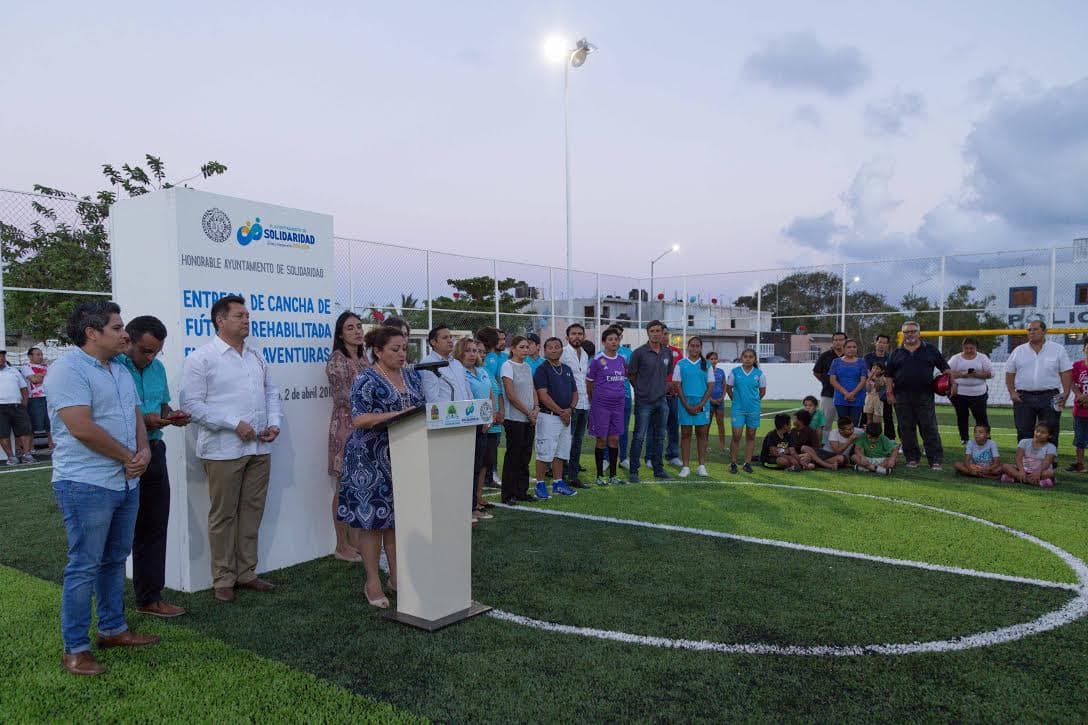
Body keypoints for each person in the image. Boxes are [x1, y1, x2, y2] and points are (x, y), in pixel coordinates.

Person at [46, 301, 157, 677]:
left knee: (114, 559)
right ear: (92, 333)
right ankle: (75, 649)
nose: (126, 334)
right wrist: (130, 456)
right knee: (84, 564)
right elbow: (81, 427)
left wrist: (143, 451)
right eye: (117, 327)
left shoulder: (120, 369)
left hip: (125, 480)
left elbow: (135, 415)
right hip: (86, 483)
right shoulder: (67, 370)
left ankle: (113, 629)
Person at [180, 295, 282, 603]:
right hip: (223, 450)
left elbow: (271, 392)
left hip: (259, 448)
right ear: (220, 320)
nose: (246, 320)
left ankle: (246, 572)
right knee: (223, 515)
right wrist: (232, 423)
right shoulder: (202, 358)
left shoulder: (256, 356)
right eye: (239, 315)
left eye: (247, 315)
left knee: (252, 511)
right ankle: (223, 578)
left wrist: (274, 422)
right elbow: (190, 405)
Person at [338, 326, 424, 608]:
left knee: (398, 520)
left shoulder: (412, 376)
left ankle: (397, 577)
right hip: (369, 458)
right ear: (378, 351)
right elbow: (359, 419)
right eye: (395, 349)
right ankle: (372, 581)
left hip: (404, 454)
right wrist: (398, 414)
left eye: (404, 348)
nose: (402, 354)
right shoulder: (365, 378)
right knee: (373, 522)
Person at [117, 315, 190, 619]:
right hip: (121, 455)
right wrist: (141, 422)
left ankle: (150, 598)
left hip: (155, 451)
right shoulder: (114, 367)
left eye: (156, 352)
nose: (151, 358)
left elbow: (162, 406)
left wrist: (172, 416)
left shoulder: (157, 368)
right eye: (145, 351)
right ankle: (111, 608)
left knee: (154, 526)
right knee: (118, 534)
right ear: (128, 341)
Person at [326, 311, 369, 562]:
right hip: (346, 427)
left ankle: (356, 542)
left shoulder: (364, 358)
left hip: (365, 428)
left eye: (359, 326)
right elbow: (343, 395)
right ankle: (341, 545)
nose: (357, 331)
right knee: (344, 488)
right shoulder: (337, 359)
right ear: (341, 334)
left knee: (359, 487)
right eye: (350, 328)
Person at [885, 320, 949, 470]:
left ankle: (935, 459)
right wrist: (889, 393)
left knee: (929, 428)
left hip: (925, 396)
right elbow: (889, 376)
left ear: (919, 333)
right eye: (906, 332)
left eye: (913, 331)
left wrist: (953, 384)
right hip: (901, 397)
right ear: (903, 334)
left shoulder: (931, 350)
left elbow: (946, 369)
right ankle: (912, 458)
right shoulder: (896, 353)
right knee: (906, 429)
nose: (910, 334)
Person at [1005, 319, 1073, 447]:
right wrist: (1012, 392)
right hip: (1023, 397)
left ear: (1044, 331)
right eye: (1029, 330)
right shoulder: (1019, 350)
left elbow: (1066, 372)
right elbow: (1009, 373)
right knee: (1023, 430)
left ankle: (1050, 458)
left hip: (1051, 396)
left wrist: (1066, 393)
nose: (1031, 332)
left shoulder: (1057, 349)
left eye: (1035, 329)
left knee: (1051, 430)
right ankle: (1025, 458)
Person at [627, 320, 675, 483]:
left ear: (662, 333)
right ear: (648, 333)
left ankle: (658, 470)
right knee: (639, 437)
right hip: (644, 402)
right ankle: (634, 471)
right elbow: (631, 375)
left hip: (662, 401)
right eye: (652, 331)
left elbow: (666, 374)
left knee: (660, 437)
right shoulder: (638, 353)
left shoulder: (667, 353)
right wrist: (641, 391)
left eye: (658, 331)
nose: (655, 334)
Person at [533, 337, 579, 497]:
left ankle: (558, 483)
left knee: (561, 452)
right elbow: (543, 395)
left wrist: (570, 410)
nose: (554, 350)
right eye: (550, 347)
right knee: (544, 452)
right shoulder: (542, 369)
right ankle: (540, 485)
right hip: (548, 417)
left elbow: (575, 392)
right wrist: (561, 412)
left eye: (557, 346)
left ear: (561, 349)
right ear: (545, 351)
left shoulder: (567, 369)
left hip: (566, 417)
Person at [459, 338, 498, 520]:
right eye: (468, 350)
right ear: (460, 352)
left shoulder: (482, 371)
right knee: (468, 468)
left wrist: (490, 416)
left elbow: (490, 393)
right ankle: (465, 508)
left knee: (478, 466)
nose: (472, 354)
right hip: (468, 425)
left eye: (475, 351)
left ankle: (474, 505)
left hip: (484, 425)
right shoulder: (459, 373)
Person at [586, 327, 627, 486]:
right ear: (604, 342)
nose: (614, 342)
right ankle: (599, 475)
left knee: (614, 439)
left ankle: (613, 476)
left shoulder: (622, 359)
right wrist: (594, 400)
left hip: (618, 406)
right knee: (601, 439)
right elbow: (589, 383)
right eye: (610, 339)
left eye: (616, 339)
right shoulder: (598, 360)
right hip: (601, 406)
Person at [500, 336, 538, 504]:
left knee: (525, 456)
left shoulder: (527, 367)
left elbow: (532, 389)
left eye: (527, 347)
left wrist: (536, 408)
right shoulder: (507, 366)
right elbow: (511, 395)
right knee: (513, 457)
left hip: (529, 419)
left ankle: (521, 491)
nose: (525, 350)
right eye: (521, 347)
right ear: (513, 349)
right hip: (514, 418)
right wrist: (528, 412)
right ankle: (508, 494)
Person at [672, 336, 714, 478]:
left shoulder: (707, 364)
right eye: (692, 345)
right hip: (685, 402)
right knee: (685, 434)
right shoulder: (681, 364)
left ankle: (701, 466)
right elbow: (677, 385)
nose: (694, 348)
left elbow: (710, 386)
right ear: (688, 347)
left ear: (701, 348)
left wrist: (701, 404)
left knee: (702, 434)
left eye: (697, 346)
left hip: (702, 403)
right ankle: (685, 466)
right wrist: (686, 405)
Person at [725, 348, 766, 474]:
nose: (748, 359)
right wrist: (736, 401)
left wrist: (754, 402)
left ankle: (747, 463)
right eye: (745, 356)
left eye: (750, 357)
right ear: (741, 358)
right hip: (738, 409)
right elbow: (728, 388)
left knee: (751, 436)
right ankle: (733, 463)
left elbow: (762, 392)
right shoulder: (735, 372)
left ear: (754, 359)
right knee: (736, 436)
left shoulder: (759, 374)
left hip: (753, 409)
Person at [560, 324, 591, 487]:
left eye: (580, 334)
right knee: (566, 441)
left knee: (578, 441)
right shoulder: (563, 353)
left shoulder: (585, 354)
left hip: (584, 404)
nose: (577, 337)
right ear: (567, 337)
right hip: (569, 404)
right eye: (573, 334)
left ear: (584, 336)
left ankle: (573, 476)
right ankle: (561, 474)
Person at [947, 337, 993, 445]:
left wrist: (977, 374)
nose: (968, 350)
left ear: (976, 347)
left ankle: (986, 437)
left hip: (979, 393)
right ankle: (964, 438)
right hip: (959, 393)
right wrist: (962, 374)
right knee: (962, 416)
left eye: (971, 348)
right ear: (962, 347)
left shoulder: (982, 358)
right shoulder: (956, 358)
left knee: (981, 417)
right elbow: (947, 373)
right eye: (966, 348)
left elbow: (991, 373)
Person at [478, 327, 507, 487]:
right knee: (485, 452)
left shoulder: (493, 359)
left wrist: (500, 409)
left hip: (494, 412)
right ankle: (488, 477)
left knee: (492, 448)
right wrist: (493, 412)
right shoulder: (484, 364)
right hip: (486, 415)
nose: (500, 341)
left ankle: (490, 476)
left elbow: (495, 387)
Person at [419, 325, 471, 404]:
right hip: (448, 411)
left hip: (467, 410)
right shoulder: (428, 364)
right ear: (433, 342)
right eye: (445, 338)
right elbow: (432, 398)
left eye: (450, 337)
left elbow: (467, 390)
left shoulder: (457, 363)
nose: (450, 340)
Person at [0, 350, 34, 464]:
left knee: (25, 431)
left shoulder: (14, 370)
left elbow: (23, 388)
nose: (1, 359)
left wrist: (24, 403)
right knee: (2, 433)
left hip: (17, 405)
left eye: (3, 356)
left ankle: (27, 455)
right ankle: (11, 457)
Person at [812, 332, 846, 444]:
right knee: (826, 423)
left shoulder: (850, 356)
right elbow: (816, 372)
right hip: (828, 394)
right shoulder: (825, 356)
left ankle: (843, 446)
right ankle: (825, 446)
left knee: (844, 424)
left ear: (845, 341)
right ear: (832, 342)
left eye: (841, 340)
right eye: (835, 340)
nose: (838, 342)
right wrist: (826, 382)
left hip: (846, 396)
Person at [1001, 423, 1057, 488]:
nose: (1039, 434)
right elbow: (1018, 458)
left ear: (1050, 436)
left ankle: (1017, 479)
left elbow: (1047, 462)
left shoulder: (1051, 447)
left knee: (1050, 473)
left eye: (1043, 433)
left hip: (1040, 471)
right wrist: (1021, 471)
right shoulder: (1024, 442)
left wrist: (1038, 472)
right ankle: (1035, 481)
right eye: (1037, 431)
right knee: (1005, 466)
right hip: (1023, 469)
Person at [863, 334, 896, 439]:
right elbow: (867, 372)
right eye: (880, 342)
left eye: (884, 343)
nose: (882, 345)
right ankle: (867, 439)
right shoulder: (868, 357)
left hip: (885, 393)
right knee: (867, 417)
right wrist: (877, 380)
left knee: (887, 417)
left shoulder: (891, 357)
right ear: (875, 343)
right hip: (871, 393)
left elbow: (893, 373)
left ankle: (890, 440)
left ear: (888, 345)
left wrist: (885, 381)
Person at [829, 339, 868, 427]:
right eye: (849, 347)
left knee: (854, 424)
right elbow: (832, 380)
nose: (852, 349)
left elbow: (863, 381)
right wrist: (846, 393)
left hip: (857, 398)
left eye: (854, 347)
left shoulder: (861, 362)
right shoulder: (836, 362)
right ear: (843, 349)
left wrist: (852, 394)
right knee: (843, 425)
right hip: (841, 398)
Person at [21, 346, 53, 449]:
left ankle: (52, 445)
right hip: (34, 398)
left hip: (49, 397)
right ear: (30, 356)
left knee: (50, 423)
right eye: (38, 355)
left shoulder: (47, 366)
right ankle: (31, 448)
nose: (40, 357)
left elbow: (50, 378)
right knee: (33, 424)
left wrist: (39, 375)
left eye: (41, 355)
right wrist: (45, 374)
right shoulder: (26, 367)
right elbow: (34, 380)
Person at [662, 325, 683, 466]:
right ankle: (652, 456)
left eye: (666, 334)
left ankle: (672, 454)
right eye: (663, 333)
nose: (665, 336)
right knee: (656, 427)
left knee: (674, 425)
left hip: (674, 396)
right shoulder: (653, 352)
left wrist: (676, 388)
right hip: (658, 395)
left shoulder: (677, 352)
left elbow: (682, 373)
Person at [1071, 339, 1088, 473]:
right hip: (1081, 409)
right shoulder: (1077, 365)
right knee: (1080, 439)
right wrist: (1079, 395)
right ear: (1084, 349)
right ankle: (1079, 463)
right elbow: (1071, 382)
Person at [707, 351, 727, 452]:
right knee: (707, 424)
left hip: (719, 402)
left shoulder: (721, 371)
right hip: (708, 402)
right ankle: (705, 445)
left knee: (721, 424)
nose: (714, 361)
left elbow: (724, 385)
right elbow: (704, 388)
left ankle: (722, 446)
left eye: (715, 359)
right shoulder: (705, 372)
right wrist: (711, 399)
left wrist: (722, 397)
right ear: (707, 360)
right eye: (711, 359)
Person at [862, 362, 886, 430]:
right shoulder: (869, 378)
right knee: (869, 419)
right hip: (869, 398)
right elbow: (868, 389)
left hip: (878, 399)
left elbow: (877, 388)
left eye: (877, 368)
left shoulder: (883, 378)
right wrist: (869, 378)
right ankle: (869, 432)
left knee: (877, 420)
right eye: (873, 368)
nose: (875, 370)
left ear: (882, 371)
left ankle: (878, 434)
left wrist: (875, 379)